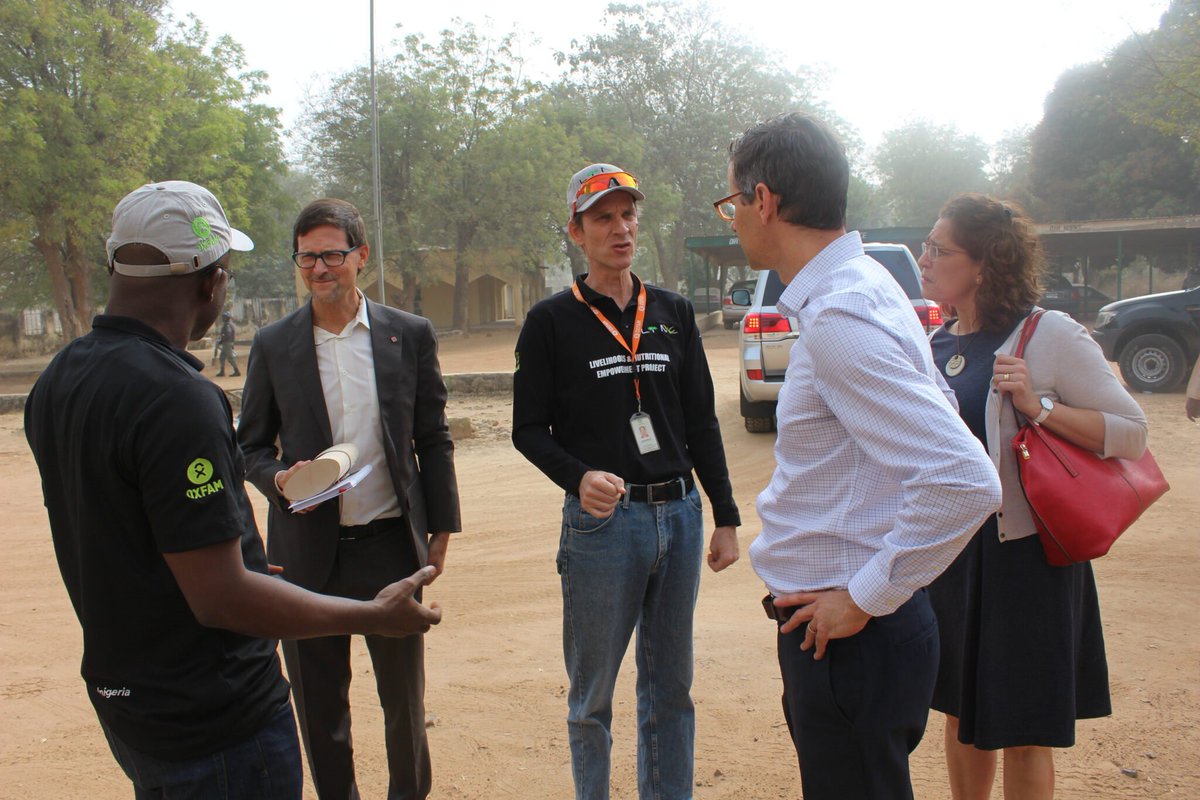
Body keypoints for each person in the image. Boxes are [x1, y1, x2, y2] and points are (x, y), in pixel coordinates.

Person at [23, 180, 442, 799]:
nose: (319, 267)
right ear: (211, 280)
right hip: (216, 715)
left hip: (131, 703)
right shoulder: (180, 398)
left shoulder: (58, 380)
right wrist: (373, 616)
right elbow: (222, 599)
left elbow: (134, 537)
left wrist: (239, 557)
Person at [719, 113, 1002, 800]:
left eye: (732, 204)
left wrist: (866, 597)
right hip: (852, 631)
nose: (732, 221)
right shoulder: (864, 288)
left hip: (848, 635)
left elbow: (964, 478)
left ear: (765, 201)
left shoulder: (843, 314)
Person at [512, 163, 741, 799]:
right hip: (603, 527)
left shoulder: (671, 311)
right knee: (592, 696)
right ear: (577, 232)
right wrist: (577, 477)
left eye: (628, 214)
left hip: (680, 516)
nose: (621, 228)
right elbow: (527, 428)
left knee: (670, 689)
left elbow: (700, 419)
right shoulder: (551, 322)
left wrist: (724, 514)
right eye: (603, 218)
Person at [917, 193, 1149, 799]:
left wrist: (1038, 407)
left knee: (1023, 730)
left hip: (1027, 562)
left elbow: (1131, 432)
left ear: (983, 265)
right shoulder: (938, 344)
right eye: (926, 247)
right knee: (961, 714)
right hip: (954, 557)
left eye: (940, 250)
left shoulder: (1048, 336)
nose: (925, 259)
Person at [237, 197, 460, 800]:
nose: (319, 269)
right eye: (306, 257)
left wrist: (440, 530)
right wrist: (281, 480)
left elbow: (432, 436)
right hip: (307, 555)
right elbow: (249, 446)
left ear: (361, 256)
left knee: (404, 707)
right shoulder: (274, 344)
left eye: (332, 254)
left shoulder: (405, 335)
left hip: (390, 544)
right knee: (319, 706)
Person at [216, 309, 240, 376]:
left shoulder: (227, 325)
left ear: (227, 318)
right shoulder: (227, 324)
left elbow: (228, 335)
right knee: (222, 357)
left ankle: (237, 371)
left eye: (224, 317)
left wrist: (221, 340)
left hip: (227, 343)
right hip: (226, 343)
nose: (223, 318)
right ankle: (222, 371)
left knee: (230, 358)